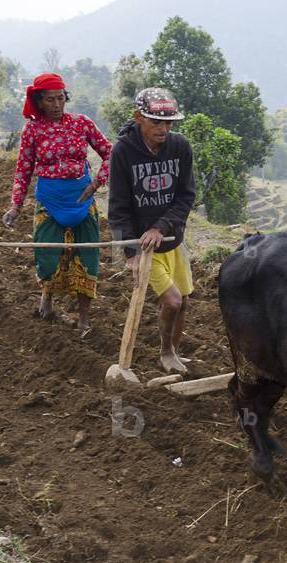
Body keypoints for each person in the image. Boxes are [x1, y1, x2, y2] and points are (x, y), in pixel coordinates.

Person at [2, 72, 112, 334]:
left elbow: (111, 154)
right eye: (50, 100)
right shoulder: (32, 130)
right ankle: (47, 299)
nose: (56, 105)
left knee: (88, 256)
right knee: (48, 256)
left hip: (82, 201)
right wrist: (15, 205)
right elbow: (24, 169)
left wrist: (96, 183)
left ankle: (83, 318)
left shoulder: (82, 123)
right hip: (49, 202)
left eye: (60, 98)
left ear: (66, 98)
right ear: (39, 102)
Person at [108, 87, 196, 373]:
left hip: (172, 239)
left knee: (182, 302)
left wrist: (161, 226)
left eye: (168, 122)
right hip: (145, 247)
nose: (163, 128)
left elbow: (186, 196)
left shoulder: (180, 147)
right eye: (156, 122)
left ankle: (175, 353)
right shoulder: (123, 151)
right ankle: (166, 351)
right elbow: (118, 207)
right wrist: (130, 253)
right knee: (171, 301)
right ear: (138, 118)